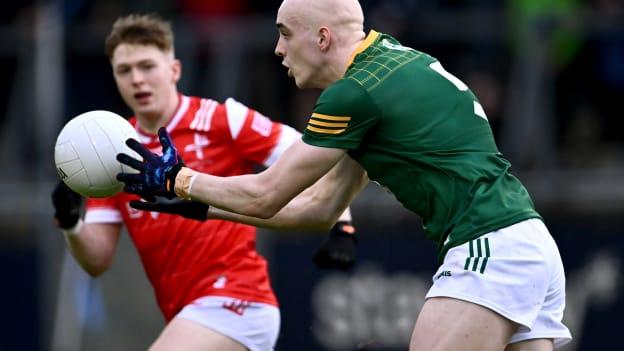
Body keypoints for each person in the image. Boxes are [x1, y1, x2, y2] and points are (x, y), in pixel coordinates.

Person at [116, 0, 573, 350]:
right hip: (525, 245)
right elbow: (319, 209)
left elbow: (268, 192)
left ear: (321, 37)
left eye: (284, 34)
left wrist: (179, 179)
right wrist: (204, 205)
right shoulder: (392, 64)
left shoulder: (354, 93)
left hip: (489, 250)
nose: (276, 49)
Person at [51, 13, 357, 351]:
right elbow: (97, 260)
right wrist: (70, 223)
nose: (137, 79)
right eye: (125, 71)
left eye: (147, 66)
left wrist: (342, 226)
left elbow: (314, 158)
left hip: (237, 300)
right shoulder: (110, 153)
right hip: (185, 312)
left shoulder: (221, 119)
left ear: (174, 70)